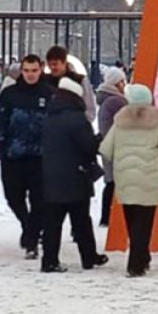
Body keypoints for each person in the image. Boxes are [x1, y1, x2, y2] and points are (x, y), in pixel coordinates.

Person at [100, 83, 158, 277]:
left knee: (131, 220)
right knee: (144, 222)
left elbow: (105, 149)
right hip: (149, 179)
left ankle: (142, 258)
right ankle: (136, 264)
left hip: (125, 178)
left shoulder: (119, 123)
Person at [40, 76, 108, 272]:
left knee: (53, 222)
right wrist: (98, 139)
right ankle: (89, 257)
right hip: (75, 176)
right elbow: (87, 146)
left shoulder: (49, 117)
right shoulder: (77, 119)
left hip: (51, 176)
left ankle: (49, 260)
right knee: (81, 220)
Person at [0, 54, 51, 259]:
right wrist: (0, 149)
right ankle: (28, 227)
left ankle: (32, 239)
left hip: (40, 157)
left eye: (34, 70)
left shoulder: (49, 93)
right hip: (13, 156)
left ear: (40, 70)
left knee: (39, 201)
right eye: (26, 71)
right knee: (13, 197)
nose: (30, 75)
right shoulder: (9, 94)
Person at [95, 66, 128, 227]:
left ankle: (105, 216)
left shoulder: (106, 100)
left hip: (107, 144)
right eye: (122, 81)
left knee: (111, 181)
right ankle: (108, 217)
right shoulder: (117, 101)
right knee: (115, 182)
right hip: (117, 146)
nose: (124, 84)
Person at [44, 45, 97, 125]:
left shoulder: (80, 80)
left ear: (64, 62)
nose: (52, 67)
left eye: (55, 64)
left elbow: (89, 109)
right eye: (49, 64)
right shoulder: (45, 80)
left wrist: (80, 125)